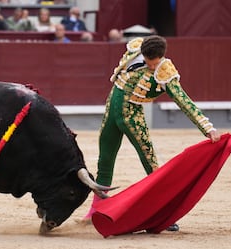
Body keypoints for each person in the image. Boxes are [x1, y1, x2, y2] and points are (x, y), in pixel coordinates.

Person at [82, 35, 221, 232]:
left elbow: (183, 101)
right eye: (146, 59)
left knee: (146, 163)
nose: (149, 64)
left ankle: (162, 213)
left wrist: (207, 127)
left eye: (152, 62)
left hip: (125, 113)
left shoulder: (165, 70)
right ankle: (97, 211)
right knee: (110, 161)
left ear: (160, 57)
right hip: (117, 111)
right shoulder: (137, 49)